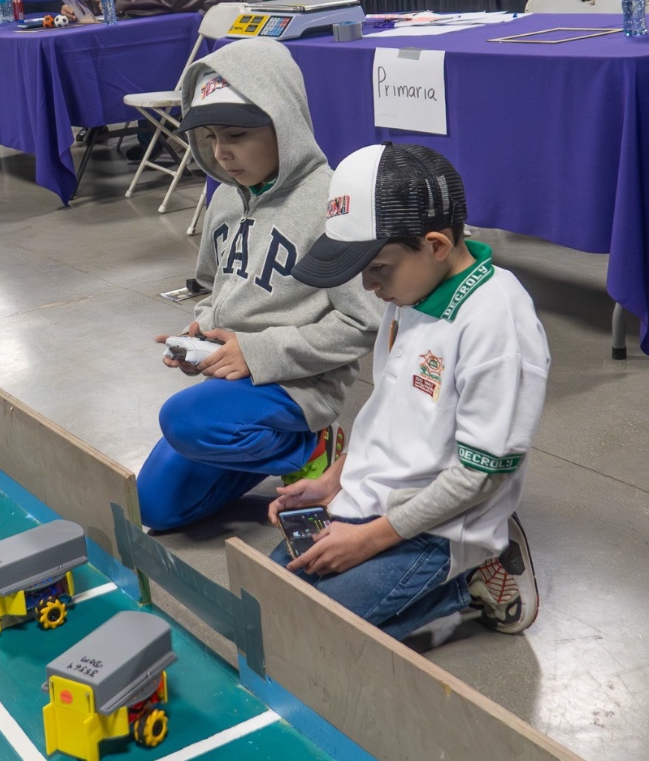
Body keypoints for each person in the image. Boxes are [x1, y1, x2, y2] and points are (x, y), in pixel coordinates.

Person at [268, 143, 550, 640]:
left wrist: (368, 541)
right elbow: (394, 415)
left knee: (308, 631)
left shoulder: (496, 324)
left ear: (436, 245)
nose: (368, 286)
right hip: (373, 503)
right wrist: (334, 480)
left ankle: (472, 573)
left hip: (440, 528)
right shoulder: (411, 290)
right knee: (269, 592)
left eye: (378, 268)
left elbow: (480, 475)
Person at [136, 38, 382, 532]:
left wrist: (258, 352)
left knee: (183, 420)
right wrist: (202, 335)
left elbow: (364, 323)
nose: (221, 153)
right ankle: (249, 446)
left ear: (284, 122)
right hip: (233, 384)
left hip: (299, 385)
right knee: (156, 507)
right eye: (209, 136)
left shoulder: (333, 202)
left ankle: (311, 446)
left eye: (236, 134)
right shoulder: (227, 198)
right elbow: (218, 287)